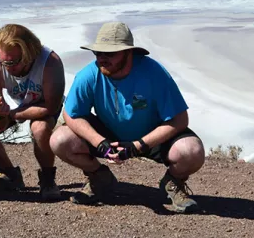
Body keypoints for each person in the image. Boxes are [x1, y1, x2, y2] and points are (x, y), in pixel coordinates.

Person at [49, 22, 205, 213]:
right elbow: (71, 114)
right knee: (60, 140)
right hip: (108, 132)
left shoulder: (154, 73)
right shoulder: (89, 74)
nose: (102, 59)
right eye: (98, 53)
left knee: (191, 151)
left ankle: (173, 183)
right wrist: (100, 142)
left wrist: (138, 145)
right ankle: (99, 178)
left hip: (151, 135)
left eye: (110, 54)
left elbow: (179, 119)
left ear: (128, 53)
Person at [0, 24, 65, 201]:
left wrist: (14, 114)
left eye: (12, 62)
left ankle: (48, 180)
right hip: (11, 107)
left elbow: (51, 106)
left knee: (40, 130)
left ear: (29, 53)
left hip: (40, 105)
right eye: (3, 61)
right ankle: (10, 175)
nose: (6, 67)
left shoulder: (50, 63)